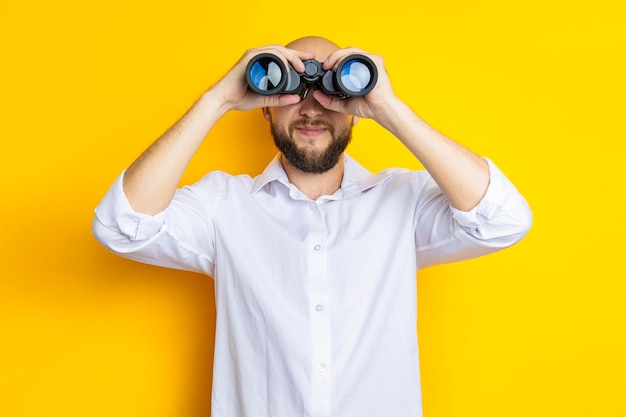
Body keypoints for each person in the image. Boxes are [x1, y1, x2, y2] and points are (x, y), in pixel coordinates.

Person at [93, 36, 532, 417]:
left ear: (356, 109)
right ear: (265, 109)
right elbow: (121, 226)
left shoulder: (404, 202)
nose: (311, 109)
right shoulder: (223, 206)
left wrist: (389, 107)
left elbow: (504, 220)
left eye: (328, 89)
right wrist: (218, 100)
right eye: (294, 89)